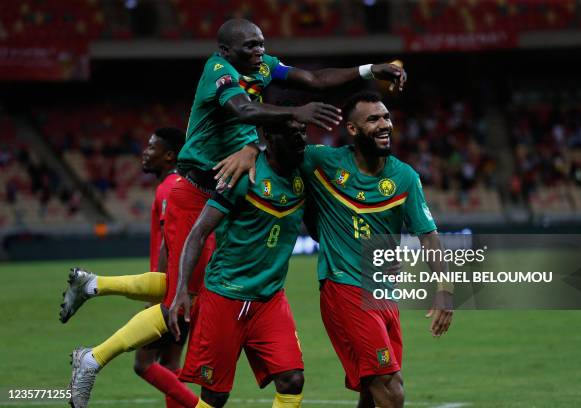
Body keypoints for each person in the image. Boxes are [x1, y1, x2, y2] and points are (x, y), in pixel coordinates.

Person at [67, 16, 405, 406]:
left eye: (261, 43)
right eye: (250, 46)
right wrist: (292, 117)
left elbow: (314, 80)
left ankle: (93, 286)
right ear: (226, 50)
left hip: (228, 184)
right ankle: (93, 357)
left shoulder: (261, 68)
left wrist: (367, 70)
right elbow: (243, 110)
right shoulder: (218, 70)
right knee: (183, 296)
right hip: (194, 190)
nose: (259, 50)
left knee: (188, 290)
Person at [299, 92, 454, 408]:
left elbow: (428, 236)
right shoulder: (322, 162)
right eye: (373, 119)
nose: (384, 125)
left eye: (386, 117)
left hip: (383, 292)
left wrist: (445, 289)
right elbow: (278, 153)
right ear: (352, 129)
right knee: (390, 388)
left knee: (372, 392)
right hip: (344, 288)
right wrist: (248, 151)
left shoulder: (405, 177)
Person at [169, 122, 308, 408]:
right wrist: (182, 287)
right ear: (268, 136)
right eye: (290, 130)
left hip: (270, 299)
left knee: (292, 379)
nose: (299, 136)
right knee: (215, 395)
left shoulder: (305, 172)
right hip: (225, 296)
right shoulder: (244, 175)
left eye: (303, 130)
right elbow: (198, 232)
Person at [60, 128, 199, 408]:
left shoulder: (169, 188)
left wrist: (156, 300)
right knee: (169, 363)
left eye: (152, 148)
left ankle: (93, 287)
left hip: (174, 292)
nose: (145, 153)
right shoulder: (174, 185)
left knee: (145, 363)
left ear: (169, 155)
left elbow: (168, 246)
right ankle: (93, 287)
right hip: (183, 290)